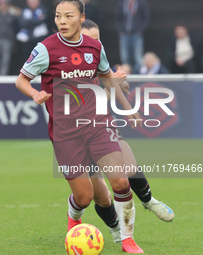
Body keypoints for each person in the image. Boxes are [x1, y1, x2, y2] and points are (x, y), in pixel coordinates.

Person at [16, 1, 144, 253]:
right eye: (58, 16)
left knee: (120, 182)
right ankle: (74, 217)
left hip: (98, 125)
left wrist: (128, 108)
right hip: (66, 134)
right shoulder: (45, 49)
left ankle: (127, 239)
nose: (61, 21)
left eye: (68, 16)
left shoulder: (95, 47)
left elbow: (107, 77)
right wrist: (35, 94)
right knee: (84, 196)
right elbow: (21, 80)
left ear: (81, 18)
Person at [80, 19, 174, 244]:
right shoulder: (69, 68)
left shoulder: (99, 60)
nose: (96, 43)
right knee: (101, 197)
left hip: (103, 128)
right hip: (77, 135)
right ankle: (114, 229)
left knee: (128, 168)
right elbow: (91, 105)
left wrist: (120, 85)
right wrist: (113, 86)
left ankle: (148, 200)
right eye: (90, 39)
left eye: (98, 38)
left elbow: (117, 89)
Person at [115, 0, 150, 73]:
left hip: (136, 34)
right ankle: (127, 74)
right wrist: (120, 30)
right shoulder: (122, 4)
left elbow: (146, 18)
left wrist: (140, 30)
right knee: (125, 57)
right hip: (124, 34)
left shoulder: (141, 3)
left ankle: (138, 74)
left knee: (138, 57)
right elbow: (118, 18)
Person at [0, 0, 19, 75]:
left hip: (8, 40)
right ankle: (1, 69)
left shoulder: (12, 15)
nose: (3, 6)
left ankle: (2, 76)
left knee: (6, 59)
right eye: (1, 4)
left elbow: (17, 25)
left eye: (4, 4)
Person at [16, 0, 49, 64]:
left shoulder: (42, 10)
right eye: (30, 1)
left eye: (34, 1)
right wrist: (34, 21)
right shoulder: (25, 10)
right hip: (27, 37)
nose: (32, 3)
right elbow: (21, 22)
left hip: (39, 37)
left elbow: (41, 20)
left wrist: (28, 21)